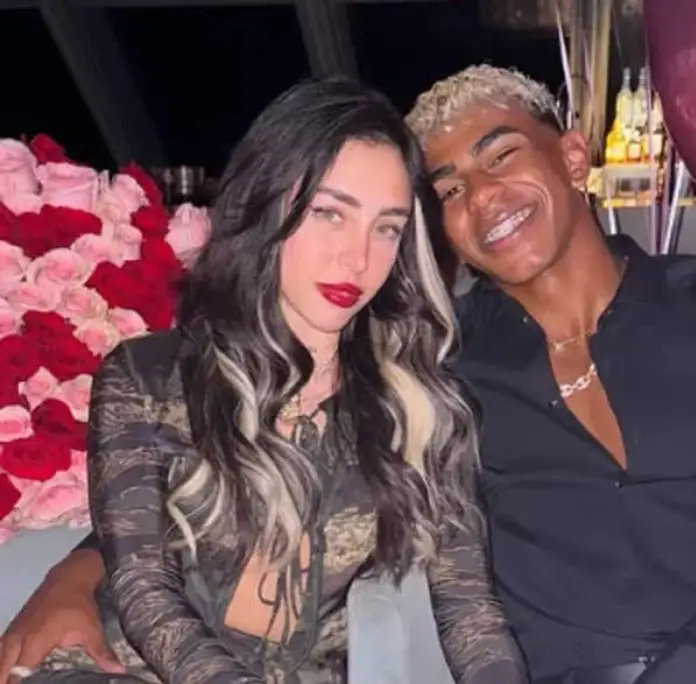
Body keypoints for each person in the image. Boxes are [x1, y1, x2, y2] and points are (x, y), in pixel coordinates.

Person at [1, 65, 696, 683]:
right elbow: (204, 473)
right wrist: (78, 569)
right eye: (447, 188)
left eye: (500, 154)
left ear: (571, 157)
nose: (482, 196)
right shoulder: (443, 364)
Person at [0, 76, 527, 684]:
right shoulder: (146, 377)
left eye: (386, 228)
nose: (357, 258)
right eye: (329, 213)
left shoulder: (422, 405)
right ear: (267, 202)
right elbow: (145, 591)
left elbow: (470, 612)